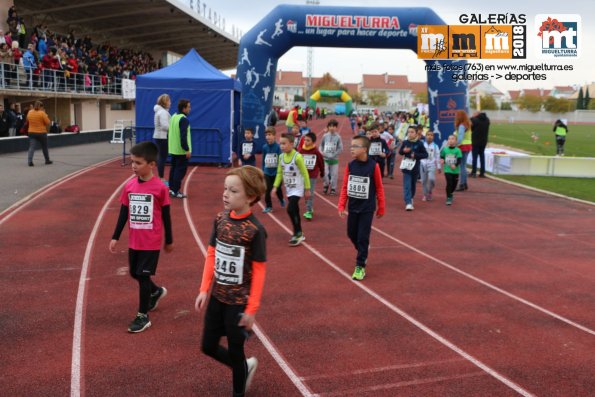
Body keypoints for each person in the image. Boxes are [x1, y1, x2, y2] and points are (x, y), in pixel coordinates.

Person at [194, 166, 267, 397]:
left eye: (233, 191)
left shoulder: (256, 230)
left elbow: (259, 271)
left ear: (251, 197)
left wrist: (252, 309)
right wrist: (204, 289)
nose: (225, 194)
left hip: (238, 303)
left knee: (236, 351)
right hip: (217, 296)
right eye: (225, 189)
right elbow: (212, 254)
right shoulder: (220, 220)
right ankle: (244, 368)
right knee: (207, 346)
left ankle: (239, 387)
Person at [109, 141, 173, 333]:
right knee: (134, 273)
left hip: (151, 241)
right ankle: (156, 291)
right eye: (132, 162)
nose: (133, 166)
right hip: (134, 240)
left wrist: (169, 239)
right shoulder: (129, 186)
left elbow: (167, 215)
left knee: (143, 276)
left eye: (138, 162)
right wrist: (115, 236)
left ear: (152, 164)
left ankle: (142, 316)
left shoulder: (160, 188)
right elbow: (124, 212)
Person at [338, 135, 385, 281]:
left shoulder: (374, 166)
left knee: (363, 237)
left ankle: (360, 265)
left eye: (355, 146)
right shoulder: (350, 166)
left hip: (367, 209)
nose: (351, 149)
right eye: (351, 146)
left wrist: (381, 206)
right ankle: (362, 251)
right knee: (351, 234)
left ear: (364, 149)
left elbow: (379, 187)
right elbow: (345, 186)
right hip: (353, 207)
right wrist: (341, 204)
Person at [272, 133, 311, 246]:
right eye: (280, 144)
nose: (282, 146)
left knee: (290, 209)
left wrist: (307, 189)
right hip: (289, 188)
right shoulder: (281, 157)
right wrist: (275, 187)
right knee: (295, 211)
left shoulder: (297, 157)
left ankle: (297, 233)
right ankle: (299, 232)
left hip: (298, 189)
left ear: (291, 144)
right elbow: (279, 172)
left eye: (284, 143)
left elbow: (305, 173)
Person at [398, 126, 428, 211]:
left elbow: (425, 154)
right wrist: (404, 151)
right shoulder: (405, 142)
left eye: (412, 132)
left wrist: (416, 155)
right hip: (406, 167)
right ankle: (408, 203)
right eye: (408, 132)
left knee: (413, 185)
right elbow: (400, 152)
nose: (410, 134)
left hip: (415, 167)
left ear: (416, 133)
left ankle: (411, 198)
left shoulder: (419, 143)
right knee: (407, 185)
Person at [168, 99, 192, 198]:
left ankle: (171, 189)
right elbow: (183, 136)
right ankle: (176, 191)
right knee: (180, 171)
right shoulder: (183, 119)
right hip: (181, 150)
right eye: (189, 107)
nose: (190, 109)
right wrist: (186, 149)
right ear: (184, 108)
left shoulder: (173, 116)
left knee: (173, 169)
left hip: (173, 149)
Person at [298, 132, 325, 220]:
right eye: (305, 140)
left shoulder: (316, 152)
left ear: (313, 142)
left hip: (312, 175)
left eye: (308, 140)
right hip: (303, 176)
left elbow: (321, 163)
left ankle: (308, 210)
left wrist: (322, 172)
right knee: (305, 193)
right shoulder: (301, 151)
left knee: (310, 192)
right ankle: (309, 207)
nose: (305, 142)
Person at [261, 126, 285, 213]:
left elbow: (280, 159)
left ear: (274, 136)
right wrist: (263, 169)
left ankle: (281, 199)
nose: (268, 137)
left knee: (278, 189)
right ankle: (269, 206)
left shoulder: (278, 147)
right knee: (267, 190)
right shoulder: (264, 147)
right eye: (266, 135)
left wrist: (281, 172)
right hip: (267, 172)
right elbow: (264, 159)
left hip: (276, 173)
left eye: (270, 134)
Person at [320, 119, 343, 195]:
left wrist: (334, 154)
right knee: (325, 173)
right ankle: (326, 185)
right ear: (328, 127)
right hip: (325, 159)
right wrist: (322, 152)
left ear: (336, 127)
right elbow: (321, 146)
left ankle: (333, 188)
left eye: (334, 126)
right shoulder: (325, 136)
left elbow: (340, 148)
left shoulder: (338, 137)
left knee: (334, 174)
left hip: (334, 159)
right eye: (330, 126)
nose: (332, 128)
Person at [26, 101, 52, 166]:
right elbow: (48, 122)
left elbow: (27, 120)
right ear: (41, 106)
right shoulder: (42, 113)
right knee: (44, 147)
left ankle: (30, 161)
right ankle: (47, 160)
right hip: (41, 132)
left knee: (32, 147)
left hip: (31, 132)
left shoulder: (30, 112)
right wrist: (45, 114)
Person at [153, 94, 171, 182]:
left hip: (159, 136)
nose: (170, 103)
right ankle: (161, 177)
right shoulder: (163, 112)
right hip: (162, 137)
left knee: (161, 156)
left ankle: (160, 177)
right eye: (169, 101)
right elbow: (165, 126)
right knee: (162, 157)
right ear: (165, 102)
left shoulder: (160, 111)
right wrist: (173, 129)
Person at [440, 134, 463, 206]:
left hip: (455, 171)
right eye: (449, 139)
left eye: (452, 139)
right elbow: (442, 156)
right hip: (447, 169)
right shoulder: (445, 149)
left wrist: (455, 165)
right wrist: (442, 160)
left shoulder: (458, 150)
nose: (450, 140)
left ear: (456, 141)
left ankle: (451, 192)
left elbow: (459, 160)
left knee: (454, 184)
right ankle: (448, 197)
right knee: (449, 183)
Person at [420, 130, 441, 201]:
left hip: (431, 164)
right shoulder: (422, 144)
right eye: (428, 135)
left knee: (432, 179)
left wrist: (439, 167)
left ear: (433, 137)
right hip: (422, 164)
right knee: (423, 181)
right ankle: (425, 195)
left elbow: (437, 156)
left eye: (431, 135)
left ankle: (429, 190)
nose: (429, 136)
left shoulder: (435, 146)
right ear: (425, 136)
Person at [454, 110, 472, 191]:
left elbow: (460, 138)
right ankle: (464, 184)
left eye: (457, 115)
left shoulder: (461, 126)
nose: (455, 117)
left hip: (463, 146)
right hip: (468, 144)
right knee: (463, 165)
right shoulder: (467, 124)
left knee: (462, 166)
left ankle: (462, 184)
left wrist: (455, 145)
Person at [470, 111, 490, 177]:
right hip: (484, 141)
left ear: (476, 114)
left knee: (474, 157)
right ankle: (482, 172)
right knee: (482, 156)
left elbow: (471, 128)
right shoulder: (487, 120)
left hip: (475, 141)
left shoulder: (474, 120)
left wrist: (472, 117)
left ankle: (474, 172)